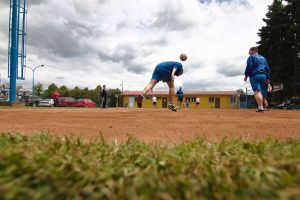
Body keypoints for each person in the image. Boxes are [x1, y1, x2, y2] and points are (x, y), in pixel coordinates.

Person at [244, 46, 270, 112]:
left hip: (255, 75)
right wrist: (267, 78)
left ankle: (260, 107)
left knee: (257, 91)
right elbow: (267, 68)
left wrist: (246, 75)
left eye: (249, 51)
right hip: (263, 76)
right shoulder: (263, 58)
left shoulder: (251, 57)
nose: (248, 52)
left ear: (253, 51)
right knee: (261, 92)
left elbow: (249, 66)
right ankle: (263, 106)